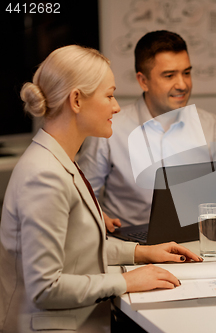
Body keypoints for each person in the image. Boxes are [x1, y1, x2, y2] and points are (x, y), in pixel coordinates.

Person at [0, 45, 202, 333]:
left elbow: (76, 249)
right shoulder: (44, 175)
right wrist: (128, 281)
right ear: (77, 101)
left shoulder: (58, 159)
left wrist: (142, 252)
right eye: (109, 95)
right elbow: (44, 287)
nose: (116, 106)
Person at [77, 30, 216, 232]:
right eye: (169, 76)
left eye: (186, 73)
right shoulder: (110, 128)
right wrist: (98, 218)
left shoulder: (209, 124)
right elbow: (81, 195)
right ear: (143, 81)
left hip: (197, 239)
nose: (182, 84)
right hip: (131, 242)